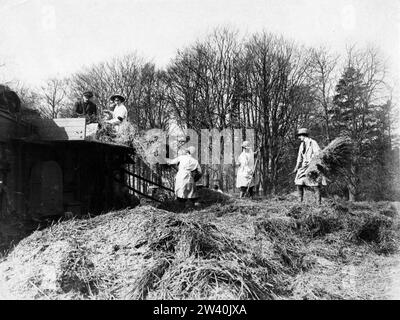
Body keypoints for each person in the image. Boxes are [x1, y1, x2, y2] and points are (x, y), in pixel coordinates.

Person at [292, 128, 325, 204]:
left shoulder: (313, 142)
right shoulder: (301, 145)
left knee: (315, 184)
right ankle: (300, 202)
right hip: (304, 167)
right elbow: (299, 157)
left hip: (312, 166)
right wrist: (296, 167)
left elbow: (318, 153)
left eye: (299, 136)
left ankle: (318, 203)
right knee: (299, 182)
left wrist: (313, 162)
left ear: (303, 135)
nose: (299, 138)